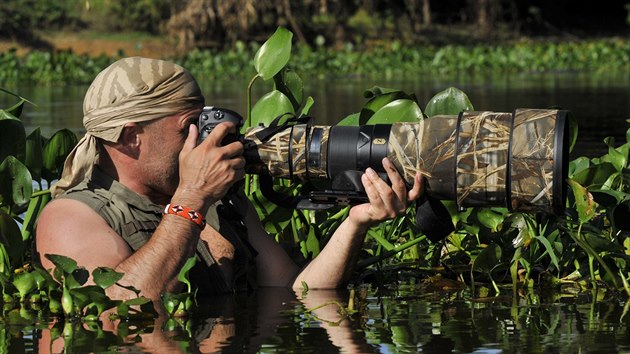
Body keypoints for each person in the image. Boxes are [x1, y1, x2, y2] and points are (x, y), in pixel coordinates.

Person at [35, 56, 424, 303]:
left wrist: (356, 222)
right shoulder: (71, 215)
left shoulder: (224, 202)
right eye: (190, 127)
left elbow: (296, 293)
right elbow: (122, 306)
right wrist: (192, 196)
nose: (205, 142)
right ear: (132, 136)